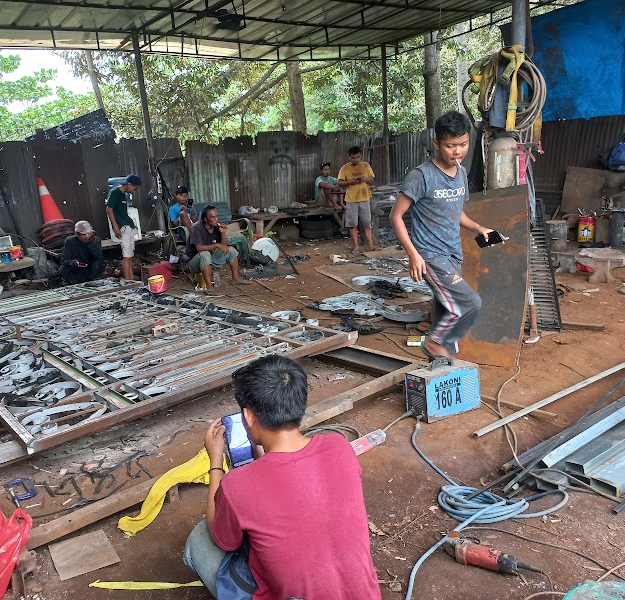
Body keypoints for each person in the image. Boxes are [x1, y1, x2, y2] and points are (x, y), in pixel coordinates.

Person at [183, 355, 380, 600]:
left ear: (249, 417)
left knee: (200, 538)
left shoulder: (238, 485)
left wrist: (215, 462)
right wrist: (262, 455)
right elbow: (297, 486)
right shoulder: (340, 447)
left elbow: (224, 540)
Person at [389, 110, 498, 360]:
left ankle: (439, 372)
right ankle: (436, 344)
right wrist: (414, 255)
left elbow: (455, 211)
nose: (457, 151)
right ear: (437, 144)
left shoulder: (460, 173)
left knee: (445, 310)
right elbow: (396, 217)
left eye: (463, 144)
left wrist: (479, 228)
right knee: (470, 303)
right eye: (450, 146)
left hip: (453, 255)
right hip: (431, 256)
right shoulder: (421, 176)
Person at [187, 205, 249, 291]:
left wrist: (223, 233)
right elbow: (199, 248)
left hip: (211, 258)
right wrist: (216, 245)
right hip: (195, 262)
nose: (216, 219)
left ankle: (235, 279)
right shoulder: (196, 228)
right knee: (205, 254)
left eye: (217, 216)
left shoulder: (217, 227)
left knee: (231, 251)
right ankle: (209, 286)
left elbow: (224, 246)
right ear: (205, 219)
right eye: (213, 217)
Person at [337, 146, 377, 254]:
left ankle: (371, 245)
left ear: (361, 156)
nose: (356, 160)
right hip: (351, 199)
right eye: (353, 158)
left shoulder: (365, 166)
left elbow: (372, 180)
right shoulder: (344, 168)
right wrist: (351, 182)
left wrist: (364, 179)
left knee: (366, 223)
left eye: (358, 157)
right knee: (353, 224)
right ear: (349, 157)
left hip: (365, 198)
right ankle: (356, 246)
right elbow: (339, 183)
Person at [106, 174, 141, 282]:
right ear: (129, 184)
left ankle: (131, 277)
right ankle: (128, 279)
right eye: (134, 188)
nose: (134, 190)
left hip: (128, 226)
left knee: (130, 254)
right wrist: (116, 227)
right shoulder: (115, 192)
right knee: (126, 255)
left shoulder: (123, 195)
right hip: (122, 227)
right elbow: (109, 210)